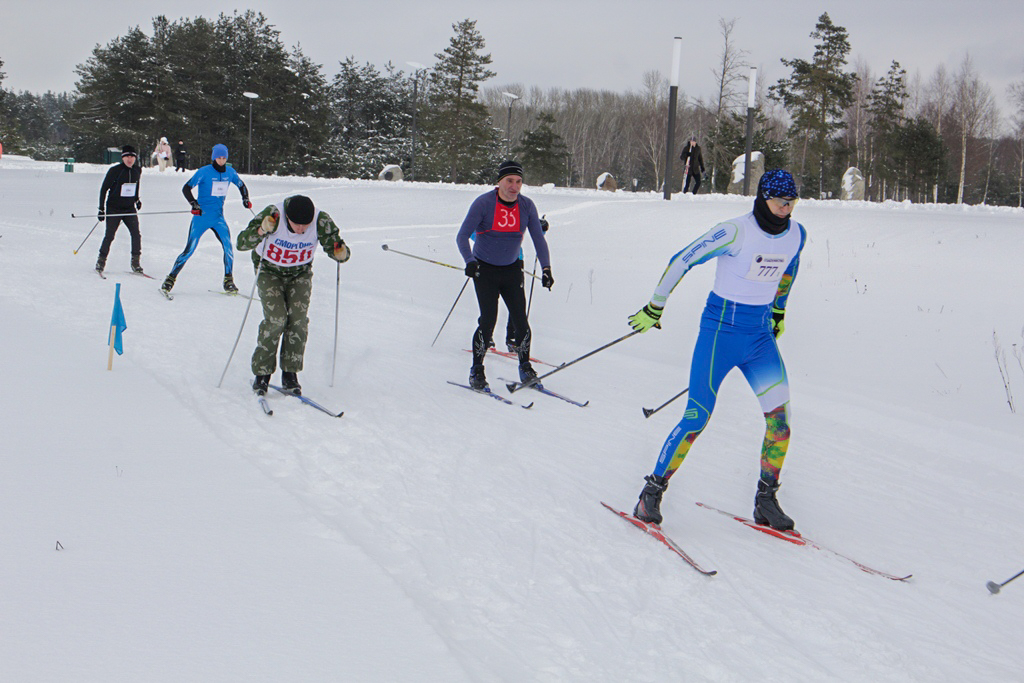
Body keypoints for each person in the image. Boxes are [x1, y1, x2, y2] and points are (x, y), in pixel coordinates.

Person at [629, 169, 807, 531]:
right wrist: (655, 305)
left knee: (781, 424)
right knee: (697, 417)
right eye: (779, 202)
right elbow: (682, 259)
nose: (786, 209)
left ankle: (766, 500)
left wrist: (777, 311)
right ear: (762, 198)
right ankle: (651, 493)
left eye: (791, 202)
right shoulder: (735, 231)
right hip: (720, 334)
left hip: (759, 338)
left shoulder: (798, 235)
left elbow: (790, 268)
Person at [236, 195, 350, 396]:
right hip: (269, 270)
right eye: (296, 225)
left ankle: (290, 374)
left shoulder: (320, 220)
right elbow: (241, 243)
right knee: (276, 319)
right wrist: (262, 230)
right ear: (287, 218)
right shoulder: (274, 214)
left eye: (305, 226)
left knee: (298, 321)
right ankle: (262, 375)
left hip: (299, 272)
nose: (301, 230)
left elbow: (337, 247)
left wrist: (340, 253)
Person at [456, 160, 553, 391]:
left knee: (521, 321)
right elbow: (462, 236)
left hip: (511, 270)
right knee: (488, 321)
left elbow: (538, 239)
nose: (514, 186)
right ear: (499, 181)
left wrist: (547, 269)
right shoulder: (483, 203)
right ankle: (477, 370)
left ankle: (525, 367)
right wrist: (469, 261)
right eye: (509, 181)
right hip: (485, 269)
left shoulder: (527, 206)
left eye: (519, 181)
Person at [161, 144, 251, 295]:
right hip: (201, 217)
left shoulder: (230, 172)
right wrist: (194, 203)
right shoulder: (204, 172)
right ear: (214, 157)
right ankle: (170, 278)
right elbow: (186, 188)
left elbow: (241, 185)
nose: (221, 160)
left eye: (224, 157)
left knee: (228, 247)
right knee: (189, 250)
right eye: (219, 157)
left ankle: (228, 280)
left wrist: (245, 199)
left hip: (218, 218)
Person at [95, 145, 144, 275]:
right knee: (110, 235)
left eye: (132, 156)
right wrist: (101, 209)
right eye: (127, 156)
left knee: (136, 234)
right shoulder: (115, 170)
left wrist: (137, 200)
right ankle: (101, 260)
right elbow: (104, 189)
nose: (130, 159)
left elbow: (135, 185)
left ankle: (135, 262)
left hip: (129, 208)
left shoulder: (137, 170)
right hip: (114, 208)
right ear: (122, 157)